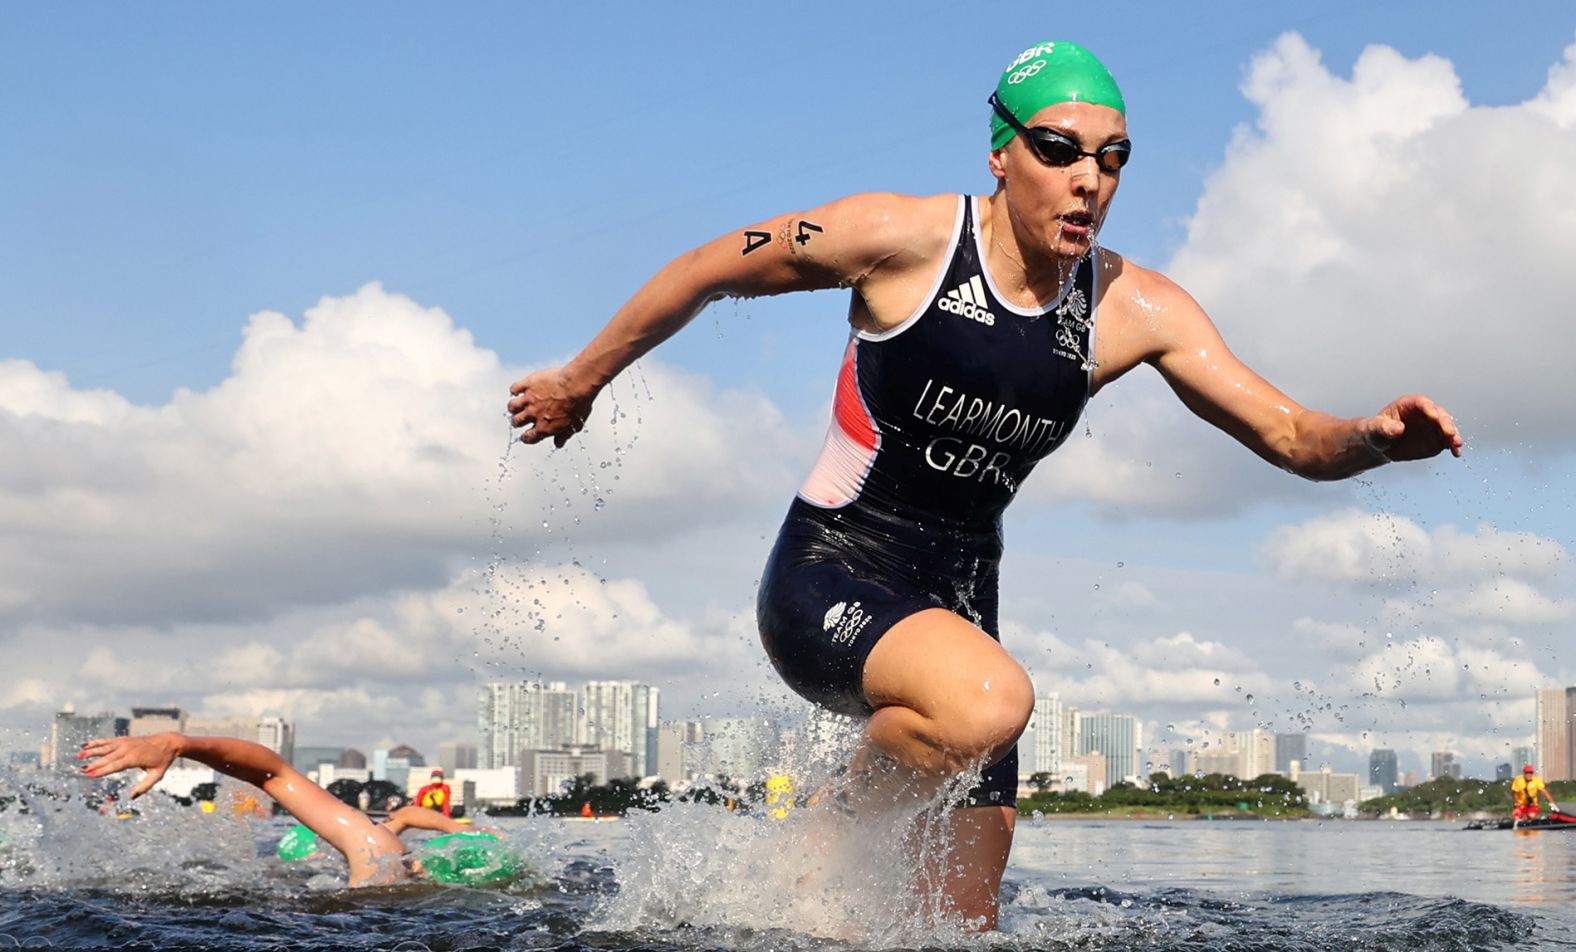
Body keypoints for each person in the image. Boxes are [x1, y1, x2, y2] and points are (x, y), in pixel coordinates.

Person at [506, 40, 1462, 930]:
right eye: (1060, 149)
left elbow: (1293, 434)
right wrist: (580, 379)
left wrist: (1376, 440)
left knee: (965, 926)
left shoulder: (1135, 309)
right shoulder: (900, 239)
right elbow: (711, 267)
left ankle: (792, 901)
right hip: (829, 574)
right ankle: (813, 846)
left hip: (960, 617)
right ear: (1002, 153)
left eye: (1114, 157)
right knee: (991, 704)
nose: (1091, 178)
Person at [79, 733, 490, 886]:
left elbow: (274, 773)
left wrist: (181, 744)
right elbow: (274, 774)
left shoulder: (378, 857)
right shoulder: (382, 859)